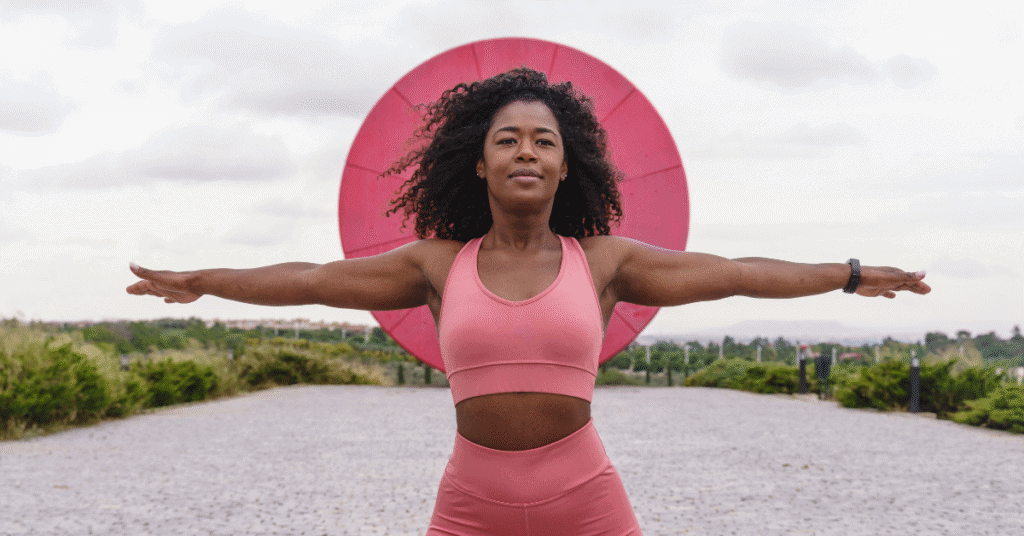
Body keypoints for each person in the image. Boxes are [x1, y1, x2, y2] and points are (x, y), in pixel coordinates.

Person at [126, 68, 930, 535]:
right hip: (470, 503)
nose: (526, 151)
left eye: (544, 141)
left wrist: (848, 273)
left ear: (565, 166)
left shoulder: (605, 262)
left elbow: (736, 272)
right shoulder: (437, 265)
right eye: (507, 139)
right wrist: (204, 279)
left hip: (586, 499)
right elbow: (310, 280)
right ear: (478, 163)